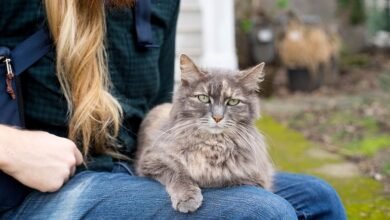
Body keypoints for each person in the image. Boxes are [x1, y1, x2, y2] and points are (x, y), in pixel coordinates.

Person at [0, 0, 347, 219]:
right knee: (260, 212)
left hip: (131, 171)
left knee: (319, 198)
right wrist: (11, 147)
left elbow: (160, 108)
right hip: (31, 191)